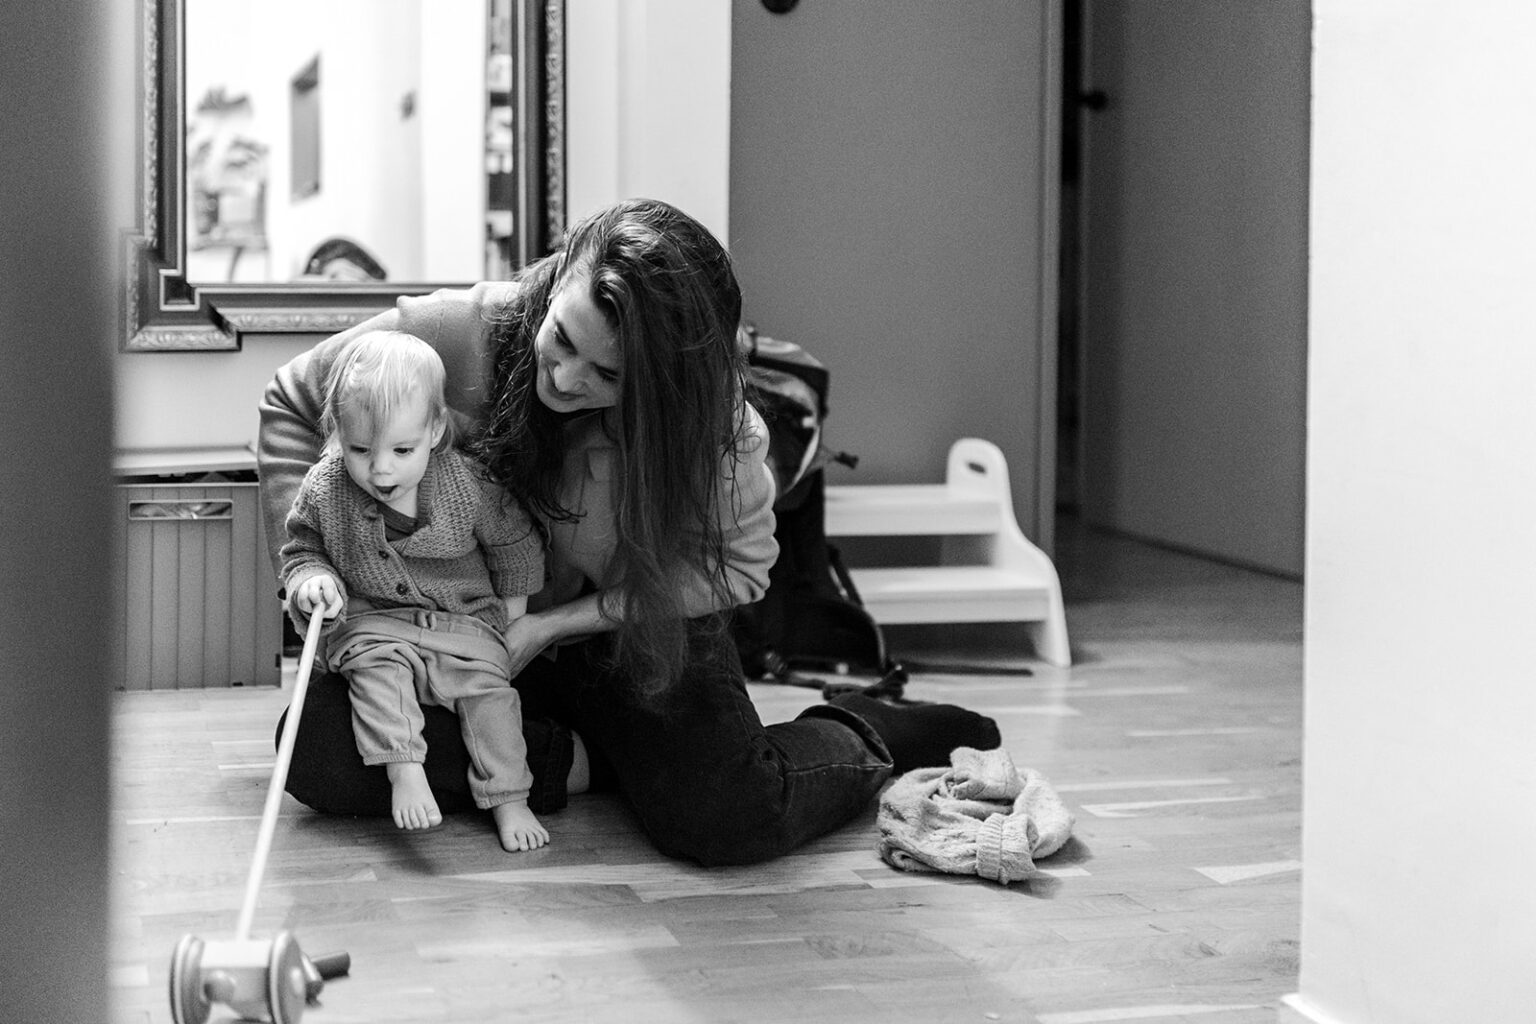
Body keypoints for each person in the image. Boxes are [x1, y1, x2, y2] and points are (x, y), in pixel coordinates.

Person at [258, 197, 1001, 866]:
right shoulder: (461, 331)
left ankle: (860, 728)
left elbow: (737, 573)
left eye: (606, 375)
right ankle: (598, 758)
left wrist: (552, 627)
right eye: (562, 336)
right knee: (314, 748)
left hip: (630, 625)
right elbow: (292, 400)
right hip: (455, 635)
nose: (565, 378)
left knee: (730, 819)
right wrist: (320, 564)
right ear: (558, 283)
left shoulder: (717, 432)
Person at [278, 329, 549, 852]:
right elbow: (302, 550)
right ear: (337, 432)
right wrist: (312, 581)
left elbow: (514, 544)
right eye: (360, 449)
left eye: (402, 449)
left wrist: (513, 621)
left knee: (491, 700)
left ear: (434, 429)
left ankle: (511, 797)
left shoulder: (467, 484)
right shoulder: (324, 488)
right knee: (375, 677)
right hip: (374, 624)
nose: (380, 469)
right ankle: (404, 767)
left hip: (464, 627)